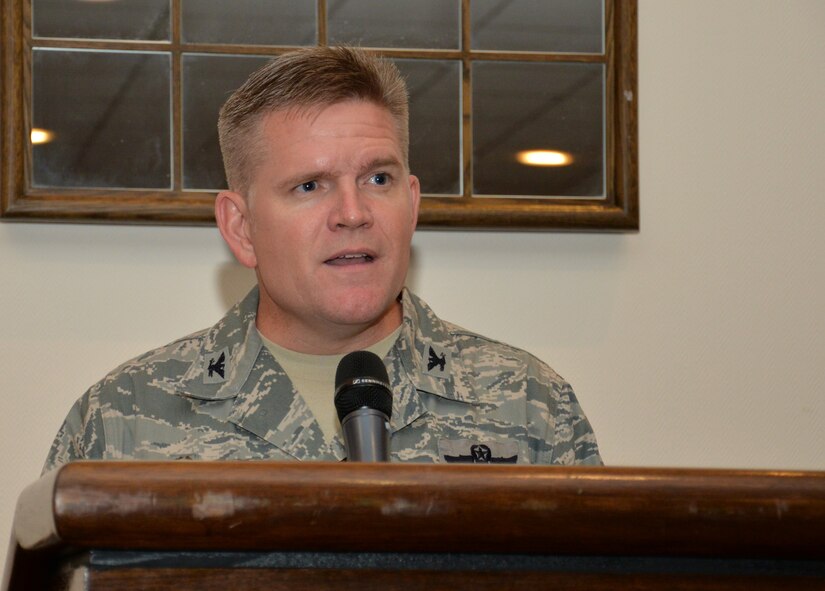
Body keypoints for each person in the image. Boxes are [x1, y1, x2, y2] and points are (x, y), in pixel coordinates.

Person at [43, 46, 601, 472]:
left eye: (376, 178)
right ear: (241, 228)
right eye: (310, 186)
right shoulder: (121, 424)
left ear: (411, 204)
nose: (352, 212)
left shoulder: (529, 406)